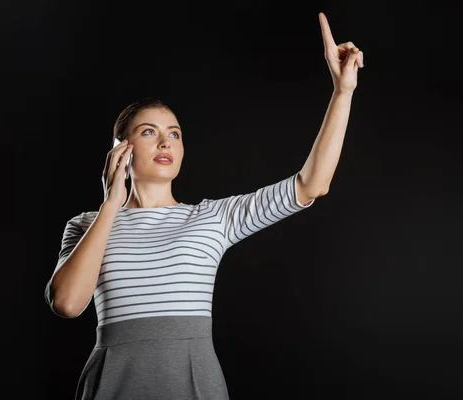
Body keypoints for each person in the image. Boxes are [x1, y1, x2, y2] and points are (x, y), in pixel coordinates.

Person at [44, 12, 364, 400]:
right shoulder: (86, 225)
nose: (165, 142)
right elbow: (67, 303)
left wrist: (342, 92)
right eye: (149, 132)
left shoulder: (212, 217)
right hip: (113, 385)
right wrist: (112, 202)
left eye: (174, 134)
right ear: (120, 150)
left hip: (194, 384)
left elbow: (312, 184)